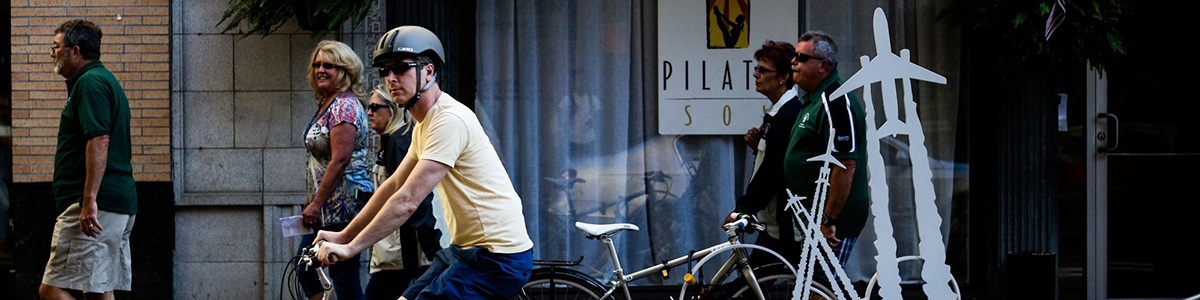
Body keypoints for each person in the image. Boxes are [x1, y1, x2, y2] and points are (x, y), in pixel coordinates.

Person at [313, 25, 533, 300]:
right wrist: (344, 236)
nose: (390, 78)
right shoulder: (423, 124)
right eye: (385, 71)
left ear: (428, 71)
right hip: (465, 251)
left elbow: (406, 200)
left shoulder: (449, 120)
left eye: (401, 68)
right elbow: (393, 185)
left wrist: (351, 248)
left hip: (495, 258)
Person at [39, 19, 138, 300]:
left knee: (51, 289)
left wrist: (89, 201)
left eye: (56, 47)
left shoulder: (90, 83)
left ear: (75, 51)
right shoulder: (101, 80)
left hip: (97, 206)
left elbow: (99, 139)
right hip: (112, 203)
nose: (51, 53)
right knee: (97, 290)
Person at [296, 40, 375, 300]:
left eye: (328, 65)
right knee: (307, 266)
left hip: (345, 204)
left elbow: (340, 159)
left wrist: (317, 203)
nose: (320, 70)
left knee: (343, 275)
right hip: (327, 204)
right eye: (317, 64)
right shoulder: (328, 103)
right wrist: (313, 200)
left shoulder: (344, 105)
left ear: (343, 70)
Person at [783, 31, 870, 264]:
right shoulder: (814, 98)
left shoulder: (835, 101)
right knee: (811, 287)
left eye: (801, 57)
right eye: (794, 56)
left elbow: (845, 165)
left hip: (831, 221)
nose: (793, 62)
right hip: (813, 216)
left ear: (823, 65)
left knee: (819, 290)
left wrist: (828, 219)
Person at [364, 84, 448, 300]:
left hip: (402, 250)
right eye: (368, 107)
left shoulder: (399, 142)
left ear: (392, 110)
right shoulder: (392, 141)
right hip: (397, 249)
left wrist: (431, 246)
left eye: (375, 107)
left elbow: (414, 198)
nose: (369, 112)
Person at [729, 39, 806, 268]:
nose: (756, 75)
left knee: (756, 285)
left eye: (763, 70)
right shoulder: (777, 114)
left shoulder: (789, 114)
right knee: (754, 283)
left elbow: (773, 171)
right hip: (773, 222)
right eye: (756, 69)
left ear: (783, 77)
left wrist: (742, 209)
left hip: (783, 224)